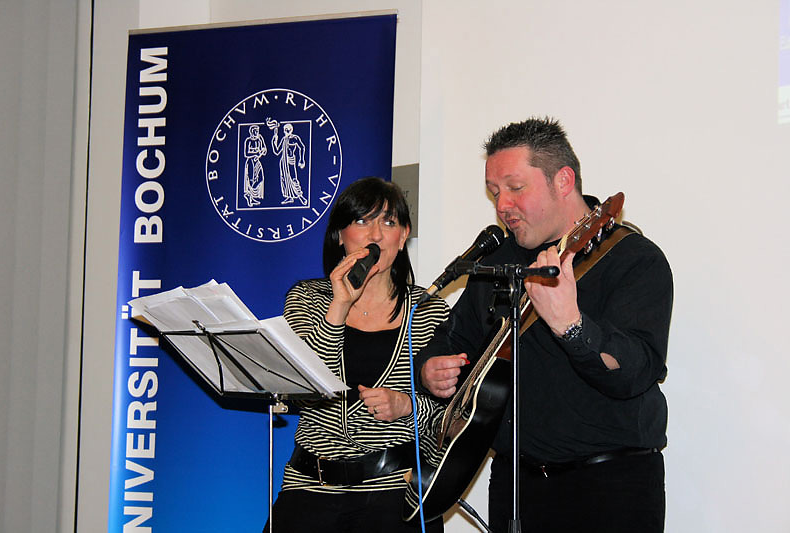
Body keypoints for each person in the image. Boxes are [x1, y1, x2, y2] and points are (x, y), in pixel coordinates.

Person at [416, 117, 673, 532]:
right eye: (494, 192)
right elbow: (450, 339)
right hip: (516, 486)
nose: (502, 205)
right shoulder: (498, 262)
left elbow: (634, 372)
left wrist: (571, 324)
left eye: (515, 188)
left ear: (563, 181)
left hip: (610, 487)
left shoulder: (634, 260)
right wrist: (432, 369)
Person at [266, 177, 450, 533]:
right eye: (362, 221)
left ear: (403, 236)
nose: (375, 235)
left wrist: (408, 405)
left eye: (389, 222)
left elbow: (455, 414)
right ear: (340, 235)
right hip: (310, 488)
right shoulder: (306, 298)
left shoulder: (430, 310)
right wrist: (339, 306)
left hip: (395, 492)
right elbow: (301, 391)